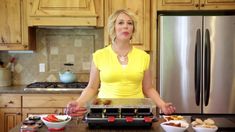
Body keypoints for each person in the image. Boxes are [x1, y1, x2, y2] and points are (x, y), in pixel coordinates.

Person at [65, 9, 176, 116]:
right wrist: (78, 102)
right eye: (121, 23)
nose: (125, 26)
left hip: (136, 111)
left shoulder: (143, 57)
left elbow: (148, 88)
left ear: (133, 29)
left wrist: (162, 105)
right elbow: (92, 88)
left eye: (130, 23)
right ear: (113, 27)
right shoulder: (99, 55)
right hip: (105, 110)